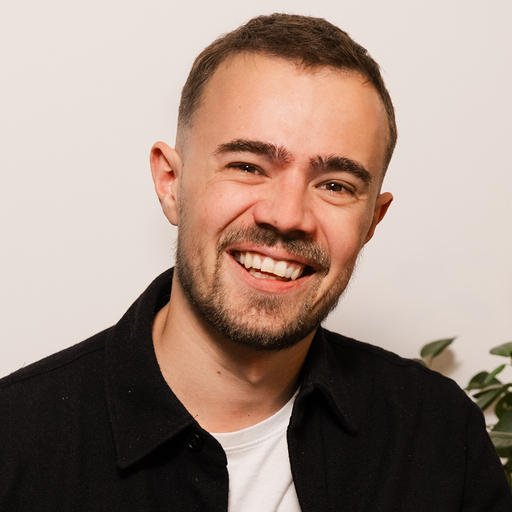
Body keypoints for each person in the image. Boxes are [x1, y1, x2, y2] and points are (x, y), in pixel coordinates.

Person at [1, 13, 510, 511]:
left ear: (372, 221)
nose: (287, 217)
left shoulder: (442, 436)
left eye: (335, 185)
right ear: (171, 183)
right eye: (247, 166)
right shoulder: (15, 442)